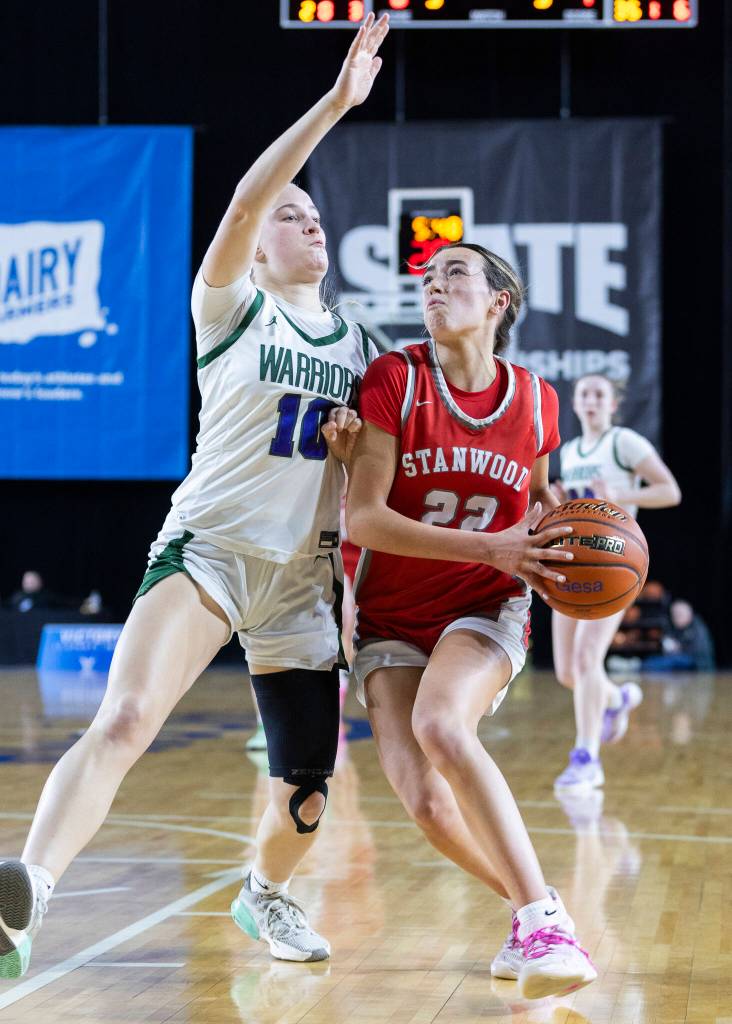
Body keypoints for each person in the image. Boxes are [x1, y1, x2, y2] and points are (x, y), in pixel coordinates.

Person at [0, 12, 389, 980]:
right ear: (257, 246)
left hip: (301, 582)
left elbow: (372, 483)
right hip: (210, 548)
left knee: (305, 790)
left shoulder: (364, 352)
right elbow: (252, 200)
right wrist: (336, 106)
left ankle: (264, 894)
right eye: (289, 217)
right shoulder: (231, 306)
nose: (306, 223)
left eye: (315, 217)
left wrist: (354, 465)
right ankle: (27, 894)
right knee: (126, 716)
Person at [346, 242, 597, 1000]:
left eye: (454, 273)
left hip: (483, 603)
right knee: (423, 801)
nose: (434, 285)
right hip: (389, 615)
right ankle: (535, 915)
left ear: (498, 303)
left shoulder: (537, 399)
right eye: (426, 277)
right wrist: (495, 541)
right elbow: (363, 518)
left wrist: (578, 542)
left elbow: (543, 496)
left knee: (444, 726)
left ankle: (543, 919)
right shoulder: (396, 379)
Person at [552, 374, 681, 791]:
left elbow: (669, 490)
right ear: (575, 403)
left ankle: (586, 758)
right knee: (568, 672)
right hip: (573, 564)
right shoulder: (569, 452)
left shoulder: (624, 443)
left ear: (612, 405)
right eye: (584, 394)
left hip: (614, 567)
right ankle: (617, 697)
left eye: (599, 394)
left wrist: (623, 492)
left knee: (590, 658)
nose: (591, 400)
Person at [663, 599, 715, 671]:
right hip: (686, 660)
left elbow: (698, 651)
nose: (675, 618)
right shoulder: (677, 628)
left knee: (665, 663)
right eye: (674, 615)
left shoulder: (697, 627)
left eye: (679, 615)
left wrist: (678, 647)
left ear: (689, 614)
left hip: (698, 663)